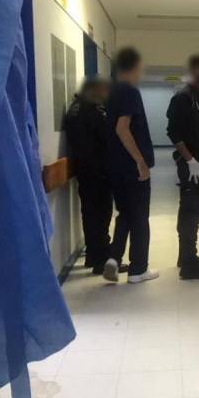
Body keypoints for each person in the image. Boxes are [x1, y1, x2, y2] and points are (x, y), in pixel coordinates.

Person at [102, 47, 159, 284]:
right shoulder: (129, 91)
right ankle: (138, 269)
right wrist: (140, 162)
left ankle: (114, 258)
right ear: (133, 67)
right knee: (140, 218)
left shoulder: (112, 92)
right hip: (130, 168)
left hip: (115, 167)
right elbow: (122, 129)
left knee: (125, 213)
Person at [167, 53, 199, 280]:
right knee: (191, 210)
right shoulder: (183, 98)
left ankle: (186, 255)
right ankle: (188, 266)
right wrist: (190, 160)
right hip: (190, 163)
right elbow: (174, 133)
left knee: (194, 208)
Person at [64, 77, 113, 274]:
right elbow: (106, 136)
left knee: (90, 213)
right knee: (101, 214)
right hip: (98, 171)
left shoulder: (74, 109)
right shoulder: (92, 110)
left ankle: (93, 255)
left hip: (84, 170)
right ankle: (101, 259)